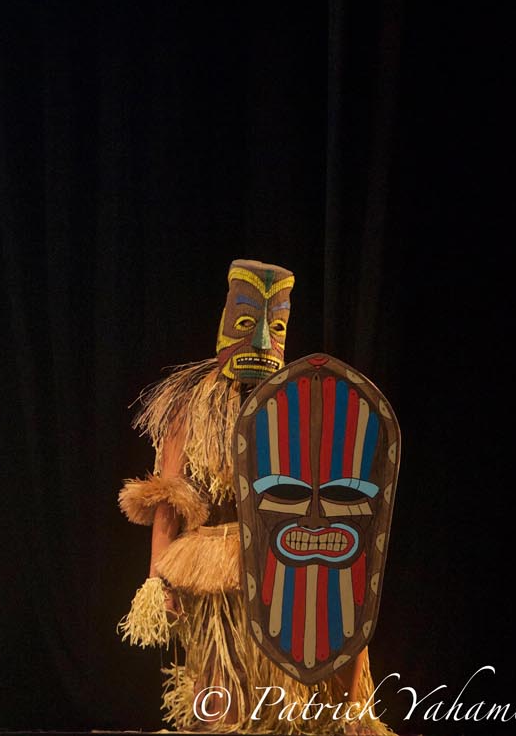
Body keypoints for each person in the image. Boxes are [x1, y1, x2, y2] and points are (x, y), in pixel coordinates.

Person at [119, 259, 389, 734]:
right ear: (227, 322)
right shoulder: (192, 404)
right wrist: (156, 578)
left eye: (276, 325)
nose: (263, 339)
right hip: (215, 567)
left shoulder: (297, 402)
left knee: (286, 692)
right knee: (223, 691)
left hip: (286, 562)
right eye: (247, 323)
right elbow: (169, 495)